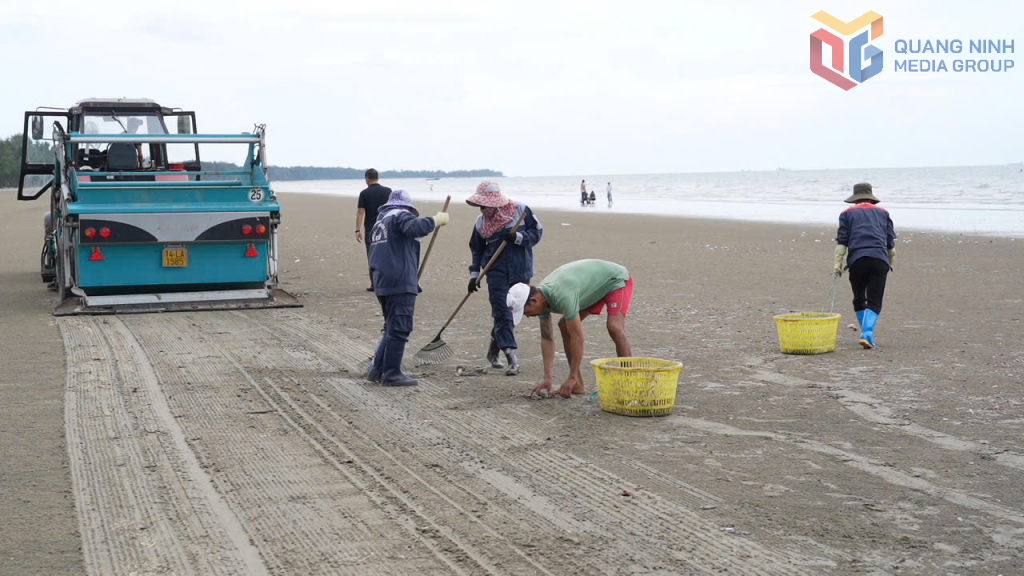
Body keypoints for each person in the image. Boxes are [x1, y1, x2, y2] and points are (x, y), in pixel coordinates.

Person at [507, 259, 633, 398]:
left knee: (614, 327)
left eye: (525, 311)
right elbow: (547, 337)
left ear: (534, 301)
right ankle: (578, 384)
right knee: (564, 326)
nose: (527, 316)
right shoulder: (540, 300)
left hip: (615, 280)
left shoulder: (561, 295)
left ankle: (630, 384)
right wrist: (548, 378)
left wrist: (570, 376)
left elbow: (578, 338)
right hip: (590, 287)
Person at [366, 190, 449, 386]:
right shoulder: (400, 216)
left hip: (382, 281)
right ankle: (392, 373)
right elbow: (415, 227)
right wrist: (435, 220)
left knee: (390, 327)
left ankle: (377, 368)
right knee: (400, 327)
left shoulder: (380, 223)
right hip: (399, 281)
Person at [466, 180, 543, 375]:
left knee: (513, 313)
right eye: (480, 206)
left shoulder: (520, 211)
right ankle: (511, 356)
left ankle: (493, 352)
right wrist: (474, 275)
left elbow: (537, 232)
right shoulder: (480, 223)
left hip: (521, 271)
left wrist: (518, 238)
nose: (483, 210)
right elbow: (476, 249)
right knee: (502, 312)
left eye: (485, 205)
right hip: (496, 274)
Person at [833, 182, 896, 349]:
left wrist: (837, 265)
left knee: (859, 298)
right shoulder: (883, 213)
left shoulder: (846, 214)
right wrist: (889, 264)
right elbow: (891, 246)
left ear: (855, 199)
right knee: (874, 300)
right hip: (879, 260)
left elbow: (842, 243)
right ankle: (866, 334)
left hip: (857, 261)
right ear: (871, 198)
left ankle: (866, 334)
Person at [356, 169, 393, 291]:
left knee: (372, 257)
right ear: (378, 177)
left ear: (367, 178)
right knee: (387, 255)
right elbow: (393, 209)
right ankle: (388, 282)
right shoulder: (388, 191)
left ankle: (375, 284)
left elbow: (361, 212)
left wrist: (357, 230)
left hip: (370, 229)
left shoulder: (364, 193)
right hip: (386, 228)